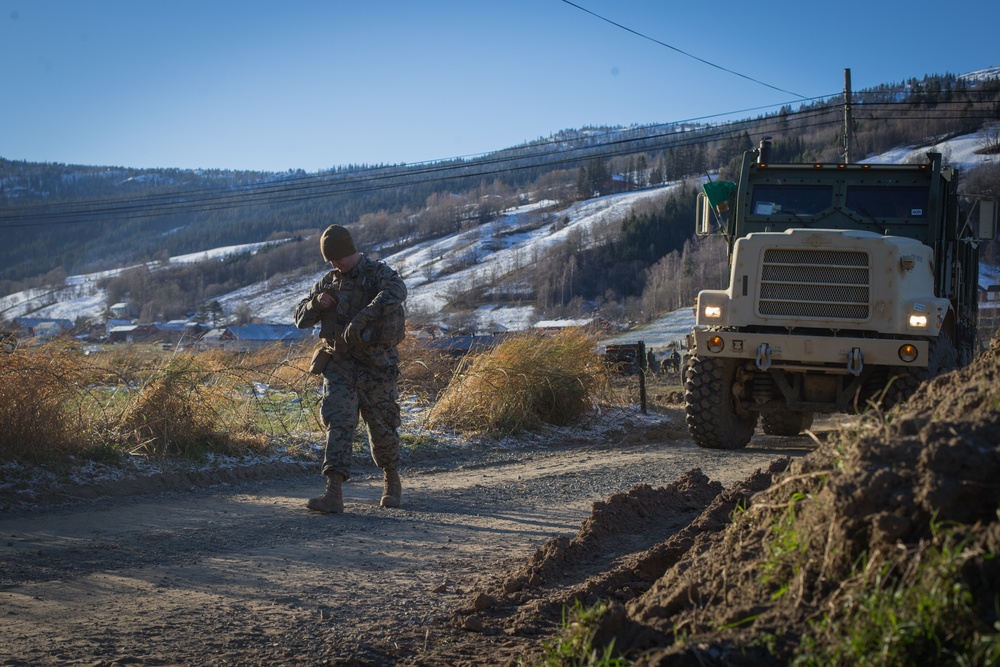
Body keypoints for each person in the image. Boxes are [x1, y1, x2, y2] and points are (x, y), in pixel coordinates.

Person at [294, 224, 407, 514]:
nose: (335, 264)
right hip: (340, 364)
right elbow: (300, 319)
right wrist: (316, 303)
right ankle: (333, 492)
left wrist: (364, 316)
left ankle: (391, 481)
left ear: (351, 250)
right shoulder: (328, 282)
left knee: (382, 426)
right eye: (330, 260)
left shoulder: (379, 273)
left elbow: (398, 290)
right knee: (339, 423)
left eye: (339, 258)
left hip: (376, 366)